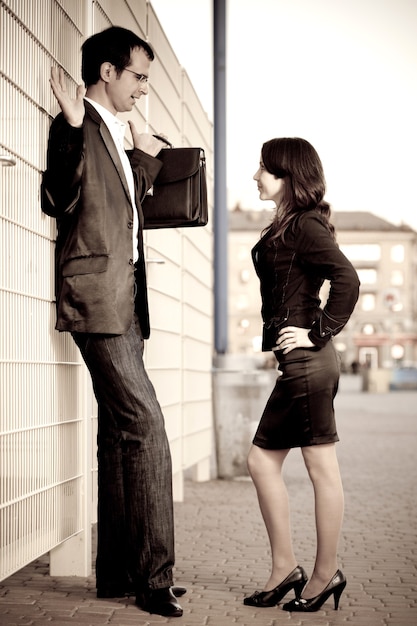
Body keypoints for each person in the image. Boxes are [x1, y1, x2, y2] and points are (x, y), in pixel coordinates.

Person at [41, 26, 185, 618]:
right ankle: (153, 579)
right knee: (146, 425)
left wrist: (147, 149)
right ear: (107, 71)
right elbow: (58, 197)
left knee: (119, 433)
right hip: (96, 299)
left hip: (124, 302)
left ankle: (118, 574)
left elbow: (128, 204)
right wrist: (72, 127)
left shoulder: (121, 134)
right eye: (139, 76)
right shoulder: (75, 126)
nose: (145, 89)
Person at [243, 138, 360, 613]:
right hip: (295, 367)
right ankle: (284, 568)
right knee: (261, 462)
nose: (256, 176)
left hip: (310, 364)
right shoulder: (287, 223)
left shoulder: (307, 225)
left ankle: (324, 572)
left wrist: (317, 334)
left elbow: (348, 281)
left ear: (288, 176)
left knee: (320, 468)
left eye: (264, 169)